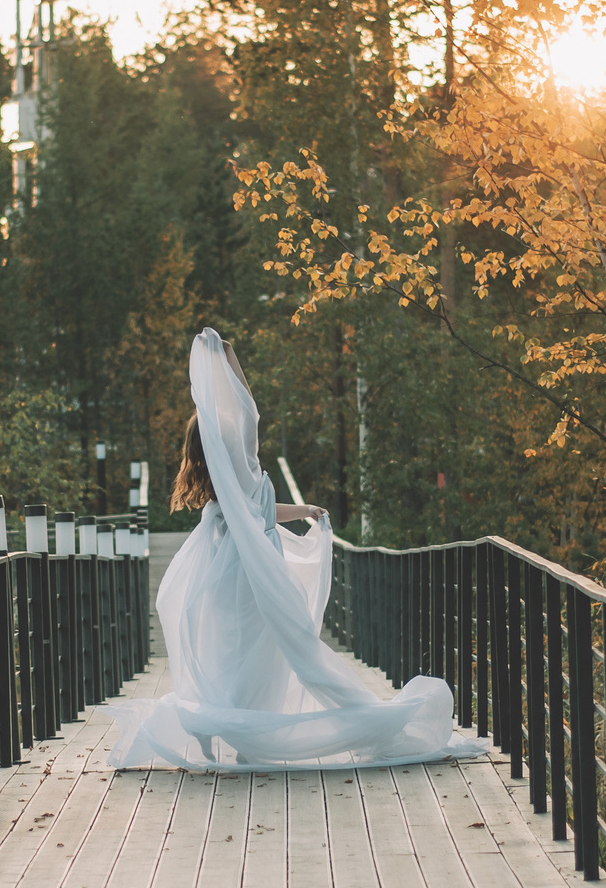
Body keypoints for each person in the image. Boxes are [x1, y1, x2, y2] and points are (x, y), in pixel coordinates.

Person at [109, 328, 489, 771]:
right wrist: (228, 356)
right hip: (255, 576)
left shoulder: (222, 486)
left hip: (222, 575)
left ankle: (217, 727)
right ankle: (251, 734)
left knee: (233, 653)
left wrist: (305, 508)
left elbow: (260, 507)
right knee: (277, 652)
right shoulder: (244, 469)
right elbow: (249, 413)